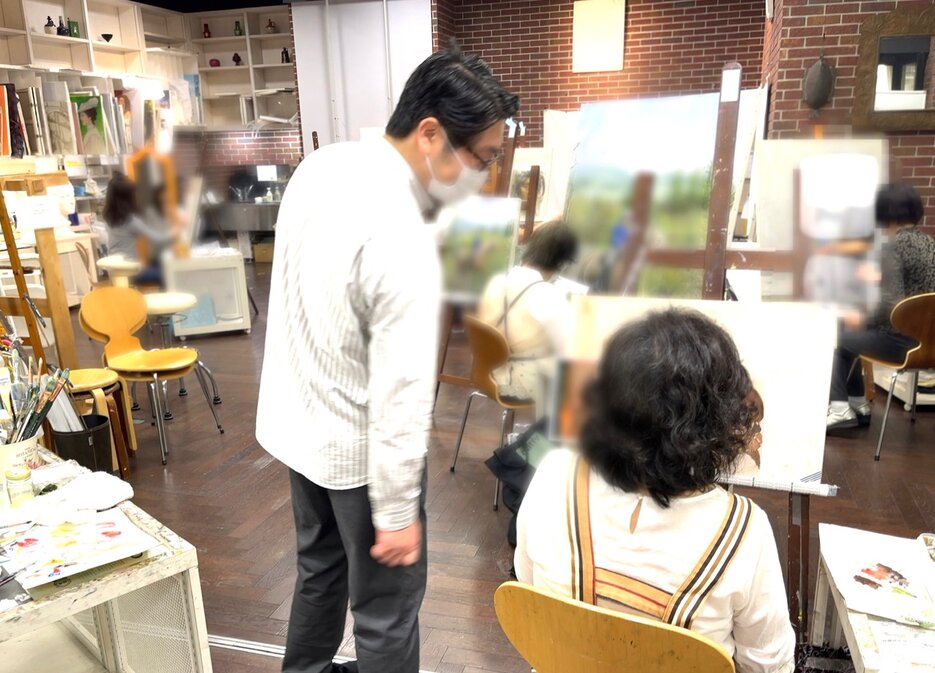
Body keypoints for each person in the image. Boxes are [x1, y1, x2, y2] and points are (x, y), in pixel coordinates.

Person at [255, 43, 519, 673]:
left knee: (319, 572)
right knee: (386, 614)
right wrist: (398, 513)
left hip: (300, 428)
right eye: (482, 158)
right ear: (430, 134)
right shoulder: (402, 235)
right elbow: (402, 394)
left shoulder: (321, 165)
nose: (485, 176)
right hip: (360, 454)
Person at [515, 309, 796, 673]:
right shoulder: (744, 532)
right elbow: (768, 665)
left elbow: (528, 586)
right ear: (716, 423)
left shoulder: (557, 472)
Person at [827, 182, 935, 430]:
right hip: (930, 344)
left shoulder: (893, 247)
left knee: (839, 335)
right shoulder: (931, 244)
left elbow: (890, 305)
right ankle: (858, 403)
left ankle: (840, 409)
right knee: (851, 330)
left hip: (904, 344)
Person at [477, 221, 578, 407]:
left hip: (486, 372)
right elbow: (570, 347)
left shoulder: (496, 283)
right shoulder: (546, 294)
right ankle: (553, 426)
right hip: (519, 382)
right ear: (561, 262)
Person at [101, 172, 174, 285]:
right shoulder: (131, 221)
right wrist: (175, 232)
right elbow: (158, 239)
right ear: (128, 198)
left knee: (155, 265)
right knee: (168, 273)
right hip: (132, 272)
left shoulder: (108, 217)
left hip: (115, 271)